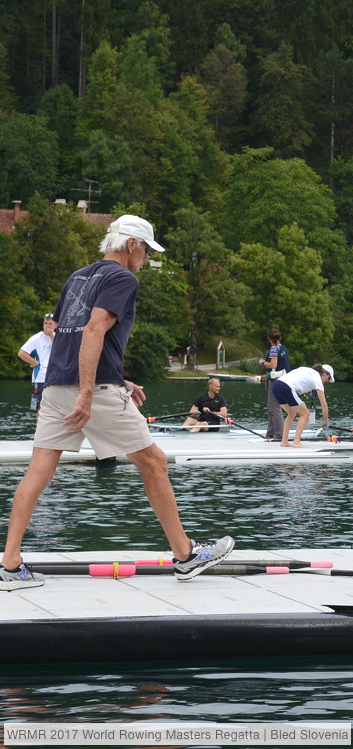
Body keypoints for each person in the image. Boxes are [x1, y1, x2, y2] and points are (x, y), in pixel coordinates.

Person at [0, 215, 234, 591]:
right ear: (131, 245)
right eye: (145, 252)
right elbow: (93, 329)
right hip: (91, 390)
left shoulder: (77, 276)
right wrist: (91, 391)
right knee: (154, 462)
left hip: (56, 385)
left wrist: (115, 376)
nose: (144, 260)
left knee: (38, 470)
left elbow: (65, 334)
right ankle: (186, 557)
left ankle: (10, 567)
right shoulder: (123, 278)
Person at [272, 364, 333, 448]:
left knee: (291, 413)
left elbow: (298, 381)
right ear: (325, 373)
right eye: (328, 379)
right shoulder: (317, 378)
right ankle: (296, 442)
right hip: (286, 387)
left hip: (276, 386)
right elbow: (324, 404)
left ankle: (284, 442)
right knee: (305, 414)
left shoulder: (307, 370)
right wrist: (325, 421)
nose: (327, 381)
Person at [17, 312, 56, 412]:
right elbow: (21, 353)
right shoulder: (36, 338)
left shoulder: (58, 337)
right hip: (40, 378)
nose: (47, 325)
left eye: (50, 324)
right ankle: (39, 427)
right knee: (39, 407)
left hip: (56, 378)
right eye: (45, 323)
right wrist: (34, 362)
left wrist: (51, 335)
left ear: (56, 325)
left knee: (54, 408)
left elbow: (62, 351)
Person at [259, 329, 291, 439]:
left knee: (274, 408)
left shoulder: (273, 349)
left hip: (276, 381)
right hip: (283, 380)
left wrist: (262, 362)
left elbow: (273, 364)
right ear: (279, 338)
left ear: (269, 338)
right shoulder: (282, 348)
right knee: (271, 407)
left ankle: (280, 435)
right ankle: (270, 434)